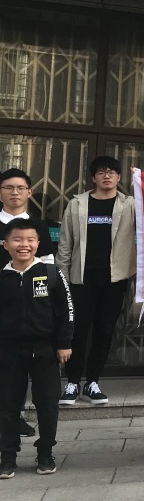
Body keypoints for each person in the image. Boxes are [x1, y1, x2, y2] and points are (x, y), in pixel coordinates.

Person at [57, 156, 136, 408]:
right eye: (101, 172)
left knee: (104, 331)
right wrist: (62, 278)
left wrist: (141, 181)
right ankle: (72, 382)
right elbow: (65, 243)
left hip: (114, 280)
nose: (107, 175)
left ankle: (92, 382)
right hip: (81, 279)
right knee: (77, 332)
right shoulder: (77, 204)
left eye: (112, 172)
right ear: (93, 177)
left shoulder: (129, 205)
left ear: (119, 177)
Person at [0, 219, 73, 478]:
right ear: (6, 244)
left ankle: (45, 454)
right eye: (17, 239)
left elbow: (66, 311)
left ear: (38, 244)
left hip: (45, 350)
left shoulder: (51, 273)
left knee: (47, 405)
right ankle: (7, 457)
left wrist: (64, 343)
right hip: (9, 351)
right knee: (7, 406)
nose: (24, 245)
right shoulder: (3, 277)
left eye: (30, 240)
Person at [0, 168, 57, 439]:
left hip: (27, 308)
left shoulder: (38, 226)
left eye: (20, 188)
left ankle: (17, 417)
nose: (15, 193)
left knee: (17, 364)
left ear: (29, 192)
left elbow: (47, 265)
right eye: (8, 187)